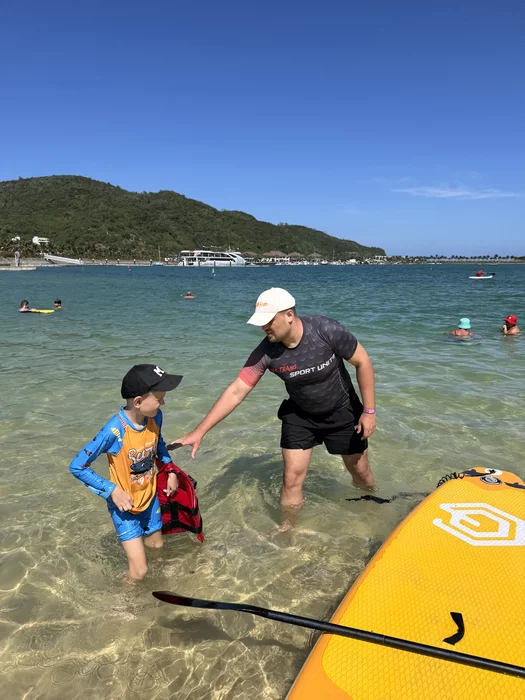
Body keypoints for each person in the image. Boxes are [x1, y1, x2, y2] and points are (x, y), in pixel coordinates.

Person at [170, 288, 377, 527]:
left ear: (289, 315)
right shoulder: (266, 352)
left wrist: (369, 411)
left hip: (342, 409)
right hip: (300, 415)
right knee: (291, 479)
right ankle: (287, 530)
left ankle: (371, 512)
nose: (263, 327)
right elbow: (237, 390)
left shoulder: (326, 330)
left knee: (360, 471)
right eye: (261, 322)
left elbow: (362, 361)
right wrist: (200, 431)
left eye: (268, 320)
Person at [69, 364, 183, 580]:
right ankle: (121, 600)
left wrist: (170, 470)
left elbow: (158, 444)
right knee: (139, 571)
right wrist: (112, 490)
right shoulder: (114, 430)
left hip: (150, 500)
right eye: (159, 398)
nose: (163, 403)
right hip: (125, 507)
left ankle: (155, 590)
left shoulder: (155, 417)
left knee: (157, 548)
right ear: (138, 402)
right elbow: (77, 465)